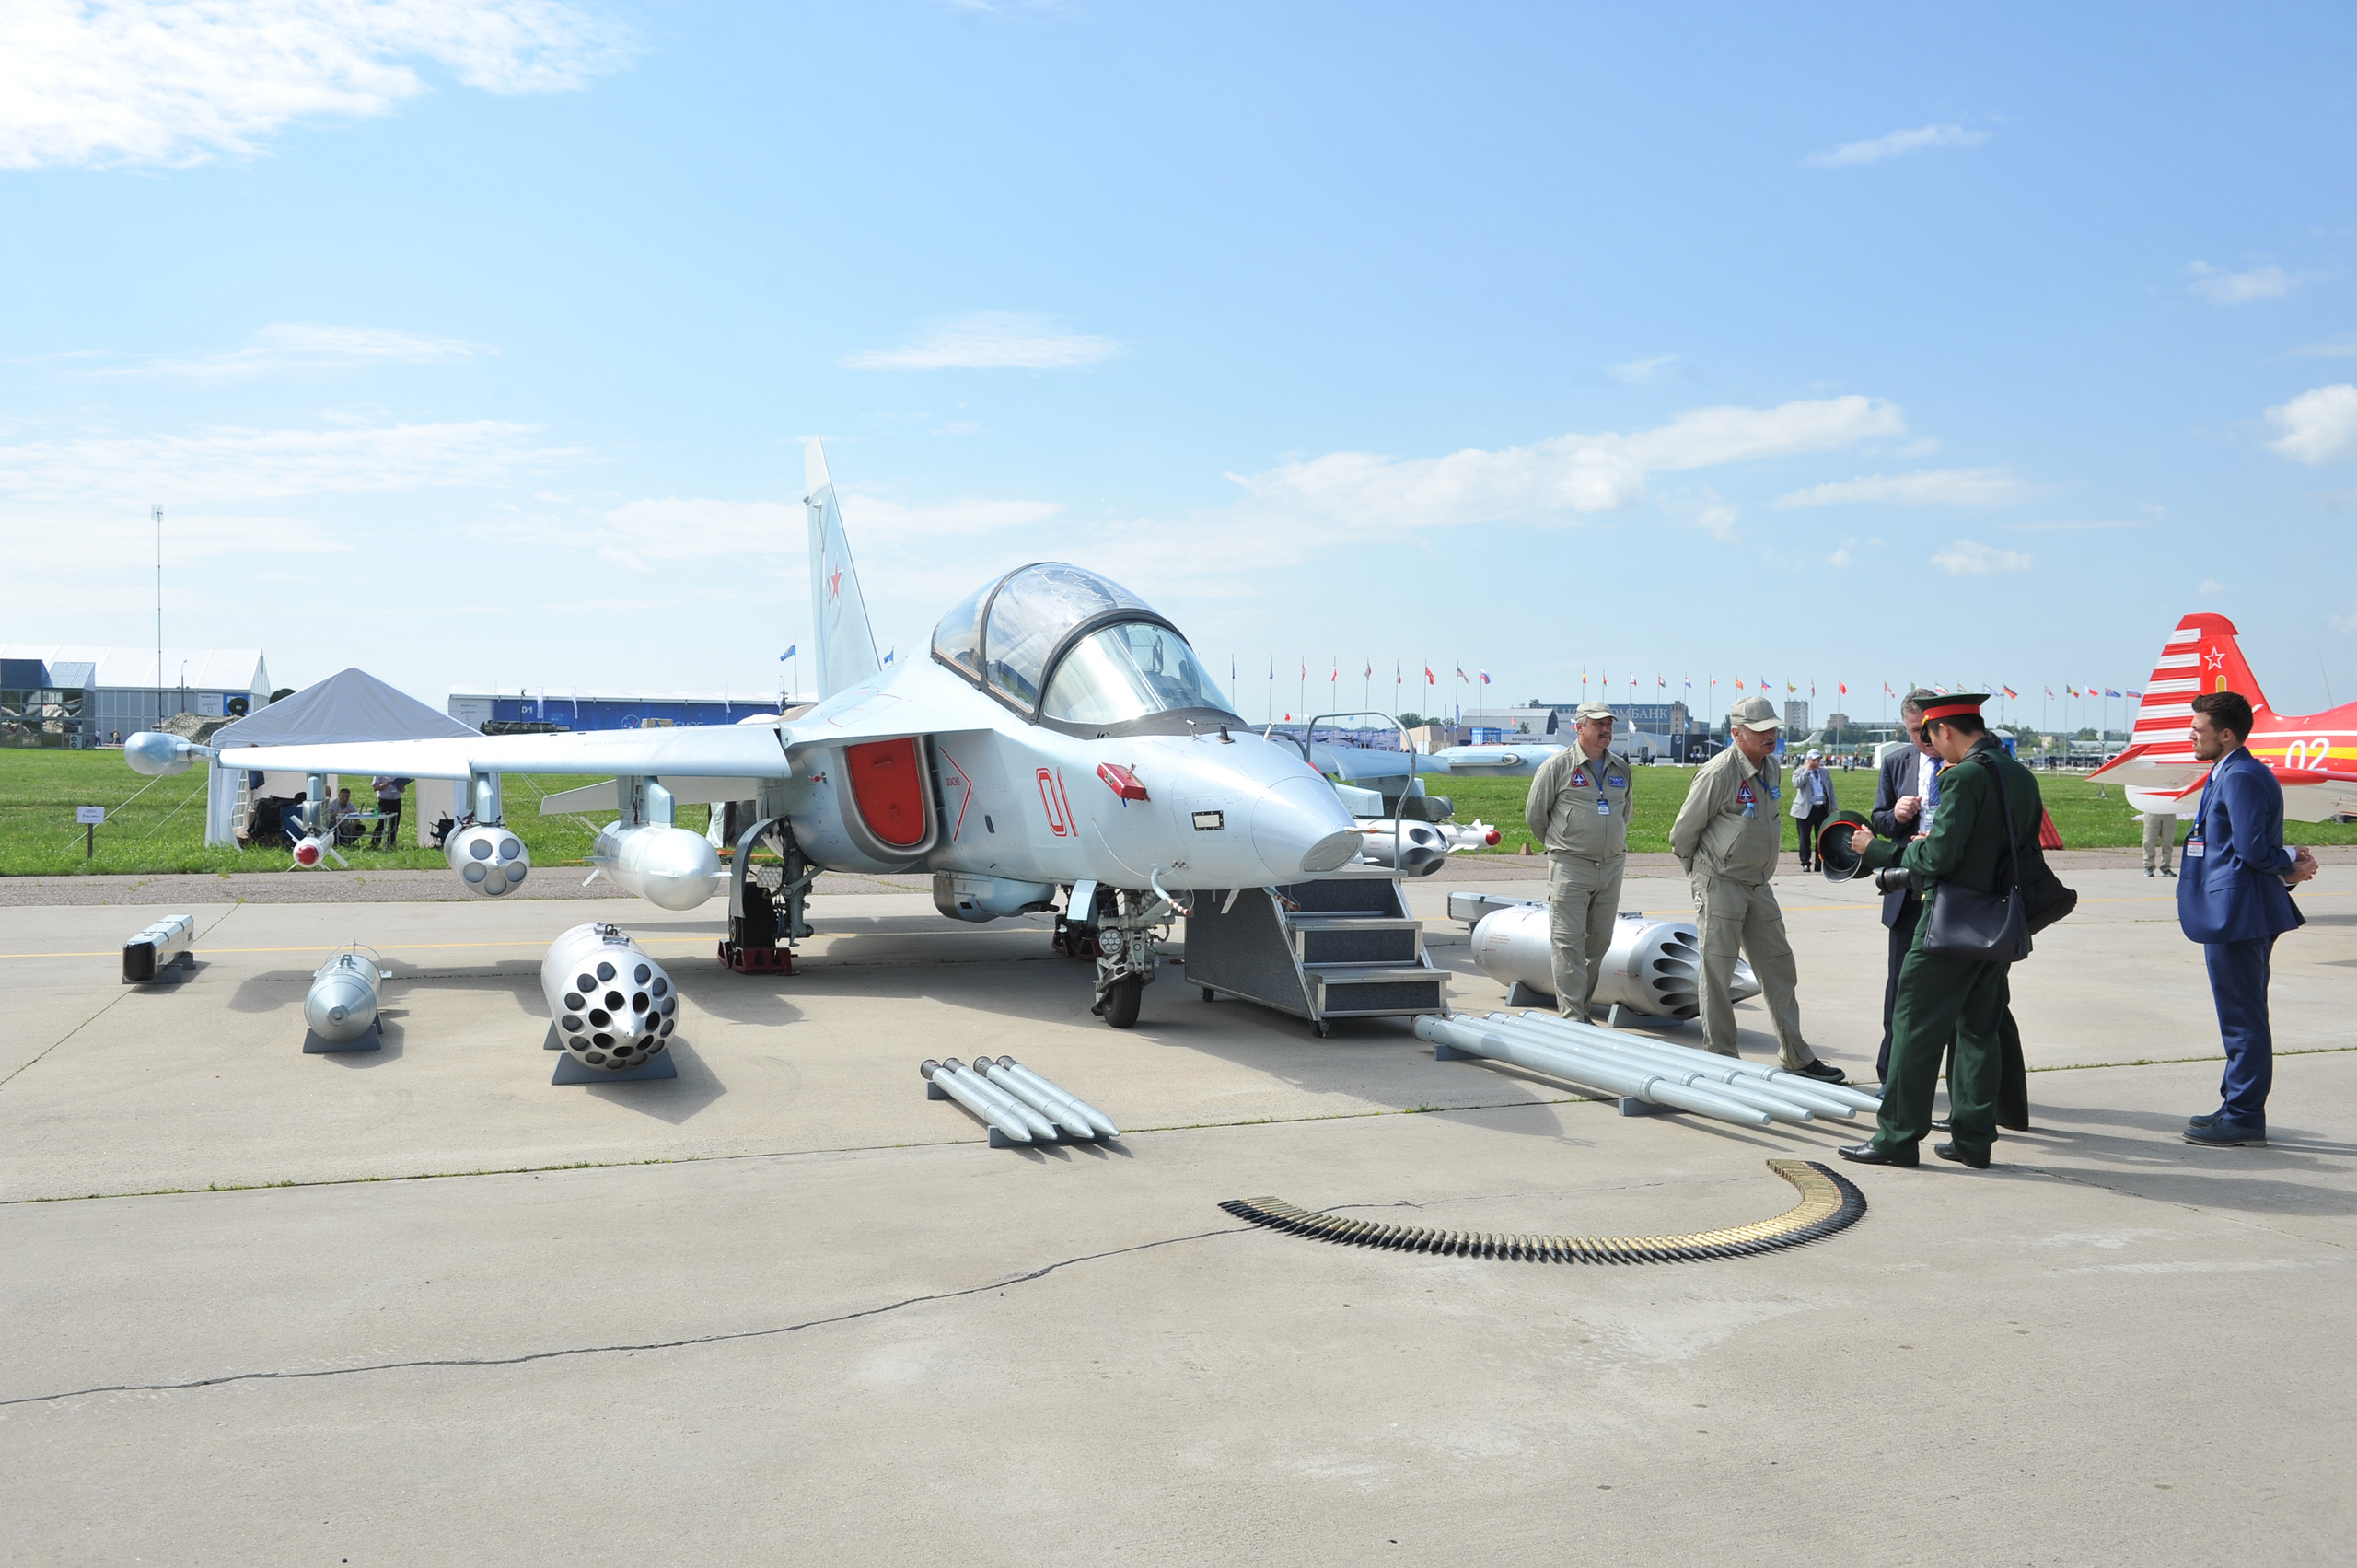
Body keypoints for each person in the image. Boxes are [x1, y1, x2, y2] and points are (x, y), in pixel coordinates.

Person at [1839, 694, 2041, 1169]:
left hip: (1950, 921)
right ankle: (1973, 1140)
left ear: (1946, 731)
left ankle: (1897, 1137)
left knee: (1914, 1027)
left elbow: (1938, 858)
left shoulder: (1965, 776)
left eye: (1929, 736)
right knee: (1979, 1031)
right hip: (1999, 923)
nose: (1930, 747)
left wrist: (1879, 850)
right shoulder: (2018, 774)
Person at [1667, 696, 1848, 1083]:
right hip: (1720, 882)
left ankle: (1796, 1056)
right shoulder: (1719, 773)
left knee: (1779, 967)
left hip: (1758, 885)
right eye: (1762, 730)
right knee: (1718, 971)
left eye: (1774, 729)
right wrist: (1700, 874)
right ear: (1737, 733)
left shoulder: (1772, 768)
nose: (1772, 736)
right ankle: (1721, 1058)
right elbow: (1683, 832)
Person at [2177, 691, 2319, 1147]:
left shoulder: (2241, 775)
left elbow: (2253, 849)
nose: (2191, 735)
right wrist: (2289, 862)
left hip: (2236, 915)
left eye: (2198, 729)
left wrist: (2290, 859)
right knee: (2240, 1014)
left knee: (2243, 1018)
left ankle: (2243, 1116)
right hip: (2234, 910)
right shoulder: (2229, 772)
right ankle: (2233, 1105)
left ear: (2225, 733)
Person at [1523, 700, 1631, 1017]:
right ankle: (1571, 1018)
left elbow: (1625, 812)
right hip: (1571, 865)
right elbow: (1535, 816)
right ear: (1579, 727)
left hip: (1611, 866)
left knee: (1599, 942)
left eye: (1609, 724)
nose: (1606, 730)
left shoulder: (1620, 768)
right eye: (1598, 724)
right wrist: (1563, 845)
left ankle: (1582, 1010)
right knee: (1568, 943)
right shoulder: (1557, 767)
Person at [1789, 749, 1831, 870]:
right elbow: (1796, 784)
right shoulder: (1799, 771)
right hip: (1805, 809)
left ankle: (1820, 863)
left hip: (1821, 808)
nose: (1816, 763)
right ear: (1808, 760)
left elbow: (1830, 790)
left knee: (1822, 837)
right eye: (1813, 760)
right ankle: (1805, 862)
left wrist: (1833, 806)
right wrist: (1807, 770)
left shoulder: (1825, 772)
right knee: (1804, 838)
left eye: (1818, 760)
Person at [370, 775, 408, 850]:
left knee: (394, 823)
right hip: (384, 801)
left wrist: (401, 787)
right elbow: (375, 788)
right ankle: (375, 843)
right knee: (381, 823)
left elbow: (403, 790)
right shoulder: (379, 773)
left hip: (396, 801)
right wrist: (385, 784)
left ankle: (390, 843)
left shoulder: (399, 772)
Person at [2141, 809, 2178, 878]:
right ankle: (2148, 866)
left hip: (2169, 810)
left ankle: (2166, 867)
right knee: (2149, 840)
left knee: (2168, 841)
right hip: (2152, 809)